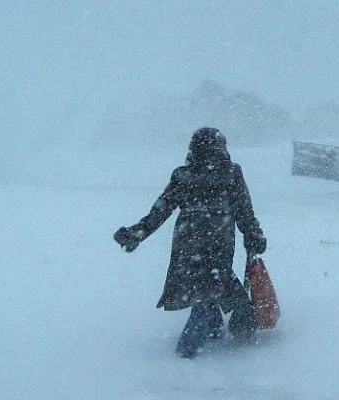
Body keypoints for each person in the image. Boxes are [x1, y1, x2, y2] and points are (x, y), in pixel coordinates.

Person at [114, 127, 267, 359]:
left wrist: (137, 233)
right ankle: (187, 353)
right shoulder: (231, 173)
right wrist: (253, 235)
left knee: (204, 286)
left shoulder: (183, 175)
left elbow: (161, 209)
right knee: (212, 288)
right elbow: (244, 211)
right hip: (219, 242)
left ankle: (214, 329)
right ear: (221, 149)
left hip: (188, 242)